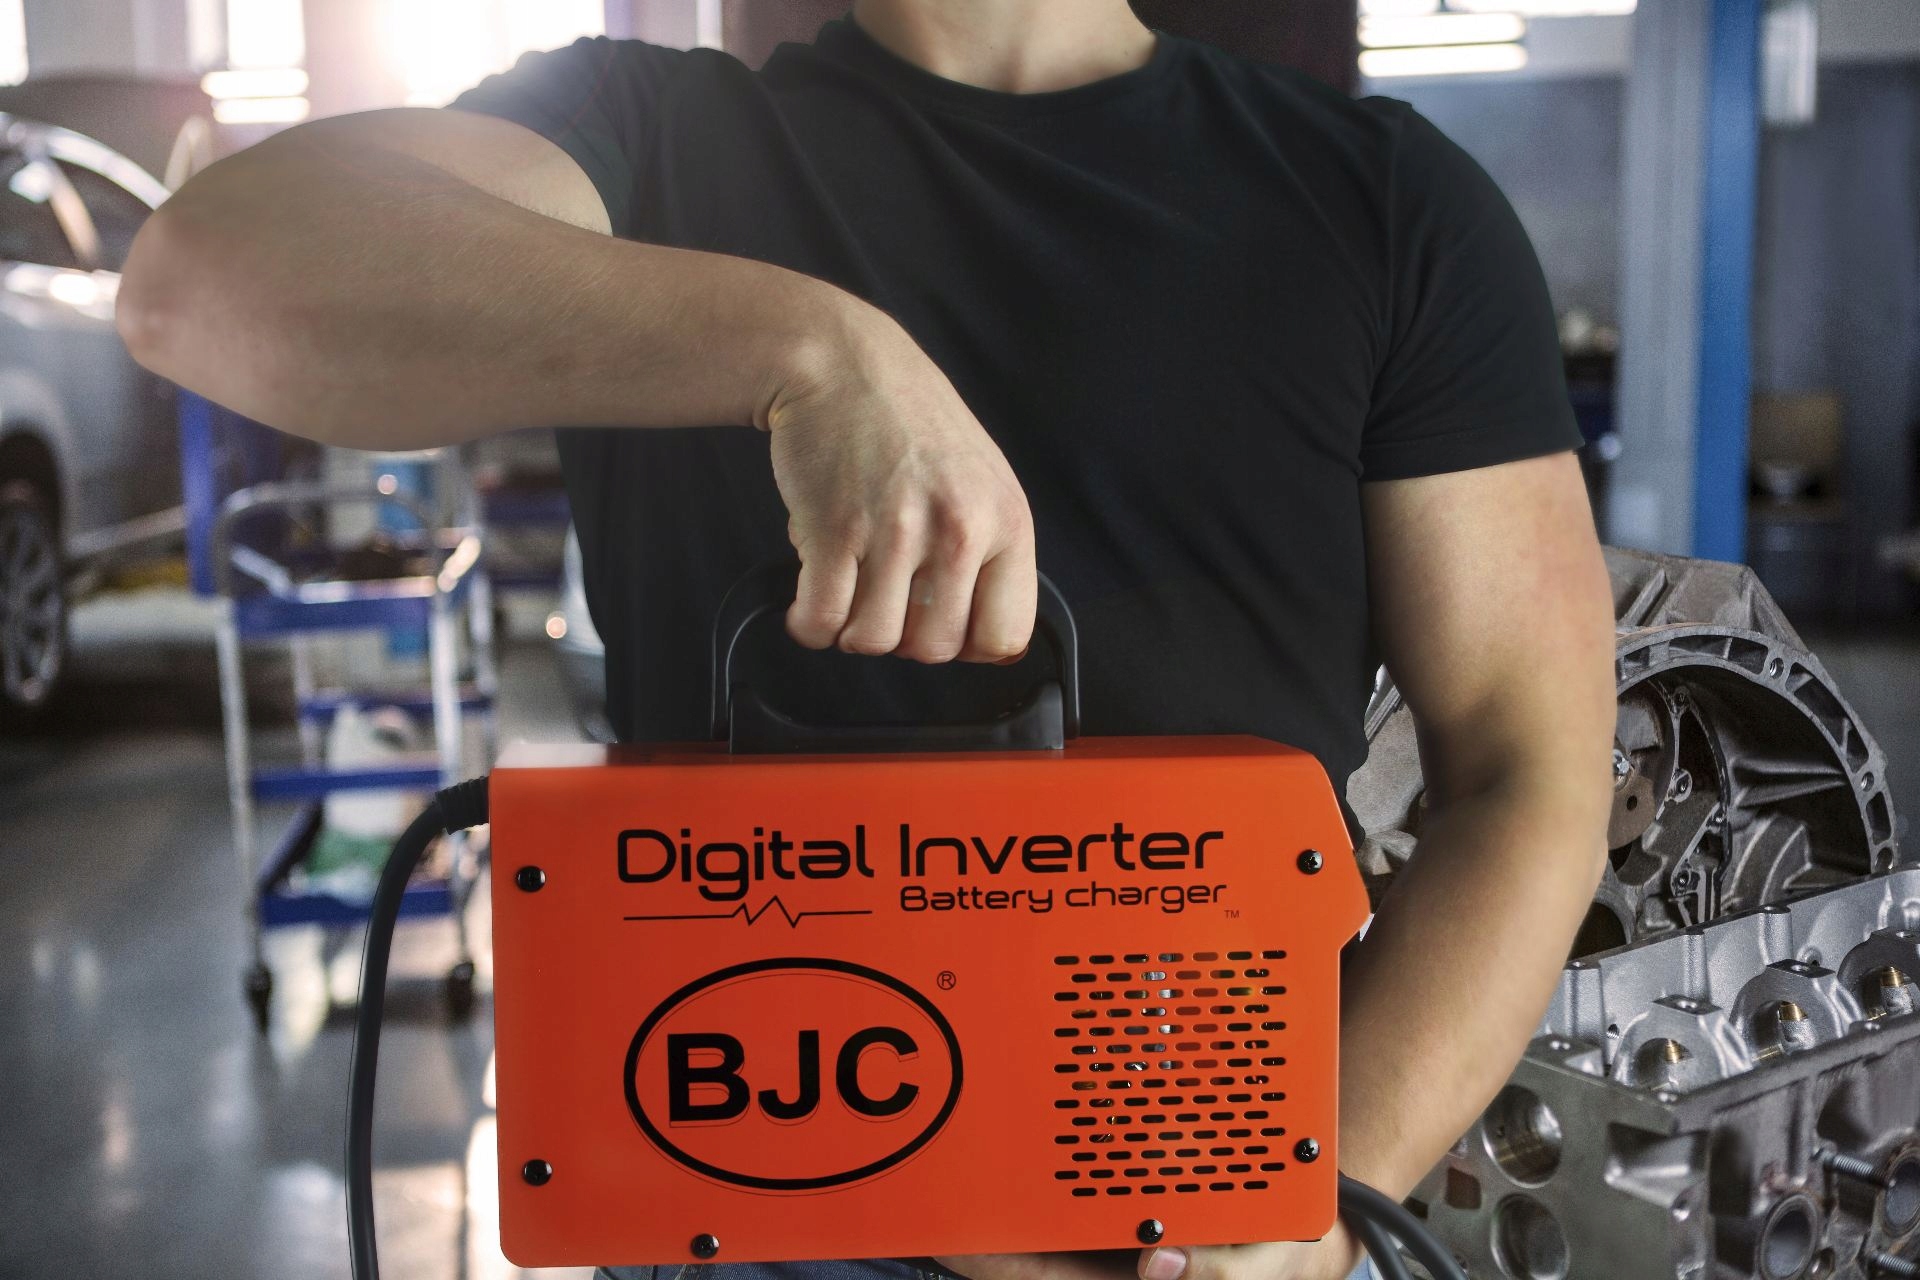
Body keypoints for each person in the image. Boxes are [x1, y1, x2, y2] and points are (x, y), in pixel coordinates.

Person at [117, 1, 1617, 1277]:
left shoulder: (1382, 201)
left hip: (1184, 1194)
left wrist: (1319, 1196)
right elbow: (202, 282)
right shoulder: (641, 136)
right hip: (741, 1193)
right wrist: (810, 354)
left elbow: (1527, 773)